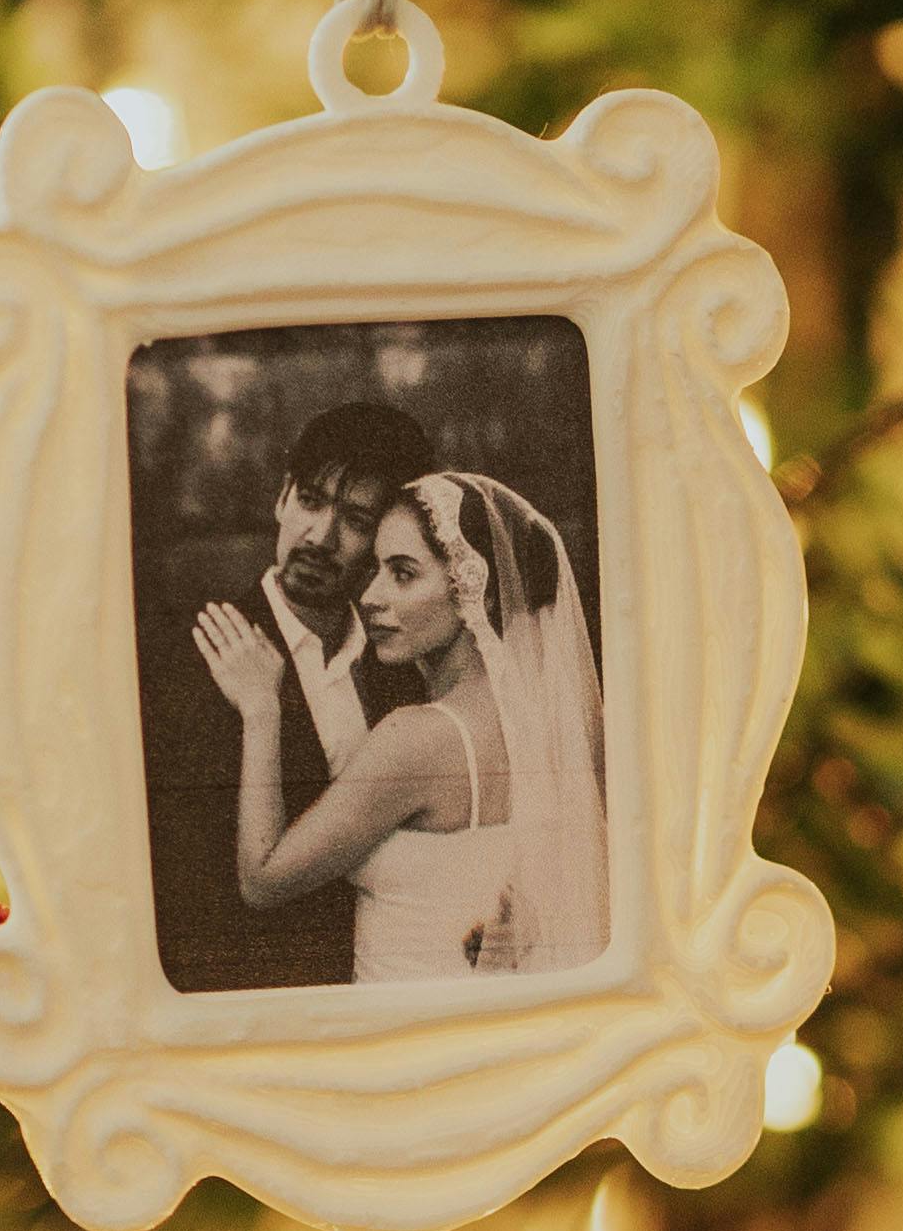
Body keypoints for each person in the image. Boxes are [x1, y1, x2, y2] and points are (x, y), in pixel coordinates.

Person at [192, 469, 607, 983]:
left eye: (403, 573)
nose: (370, 596)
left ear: (478, 592)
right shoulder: (547, 718)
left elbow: (262, 879)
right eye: (377, 569)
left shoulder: (416, 738)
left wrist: (261, 709)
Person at [136, 395, 433, 989]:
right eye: (311, 501)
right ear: (281, 499)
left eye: (355, 519)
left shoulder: (401, 662)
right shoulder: (188, 652)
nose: (320, 536)